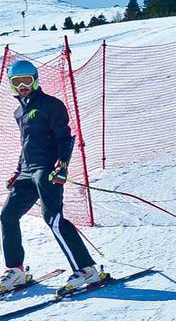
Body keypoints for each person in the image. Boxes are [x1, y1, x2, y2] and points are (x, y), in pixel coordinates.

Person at [0, 59, 102, 293]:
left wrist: (62, 166)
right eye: (18, 82)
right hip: (27, 171)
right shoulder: (19, 111)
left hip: (46, 170)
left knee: (53, 219)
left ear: (35, 80)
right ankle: (16, 271)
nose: (23, 86)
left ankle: (86, 269)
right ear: (12, 85)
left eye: (27, 80)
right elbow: (26, 144)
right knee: (7, 216)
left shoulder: (51, 105)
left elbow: (66, 138)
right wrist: (18, 171)